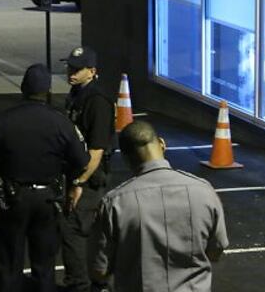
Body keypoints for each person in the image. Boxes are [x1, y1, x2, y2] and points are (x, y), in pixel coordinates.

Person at [0, 63, 90, 292]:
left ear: (23, 88)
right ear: (48, 90)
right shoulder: (62, 123)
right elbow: (81, 161)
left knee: (8, 264)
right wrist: (74, 186)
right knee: (44, 266)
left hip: (11, 199)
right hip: (48, 200)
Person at [89, 121, 229, 292]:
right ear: (162, 144)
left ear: (125, 157)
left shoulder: (114, 203)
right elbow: (216, 250)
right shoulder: (204, 191)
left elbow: (99, 269)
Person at [60, 46, 116, 292]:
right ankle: (98, 282)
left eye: (77, 69)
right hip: (76, 173)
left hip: (90, 177)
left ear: (92, 71)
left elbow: (97, 149)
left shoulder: (97, 102)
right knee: (92, 231)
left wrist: (79, 183)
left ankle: (79, 285)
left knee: (73, 230)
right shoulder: (77, 93)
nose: (71, 72)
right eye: (70, 67)